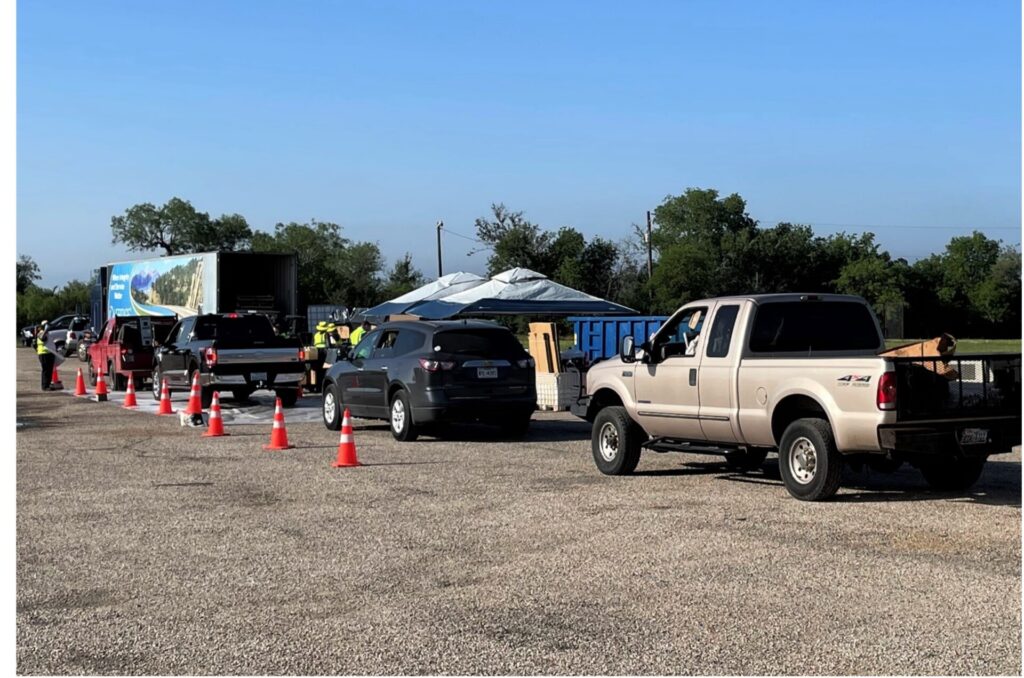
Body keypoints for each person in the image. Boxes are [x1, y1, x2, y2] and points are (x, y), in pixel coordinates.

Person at [36, 321, 55, 391]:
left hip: (49, 353)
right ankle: (45, 386)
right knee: (46, 370)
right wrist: (46, 330)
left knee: (49, 370)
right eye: (47, 325)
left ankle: (48, 384)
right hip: (43, 354)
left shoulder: (47, 333)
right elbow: (42, 338)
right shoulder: (41, 332)